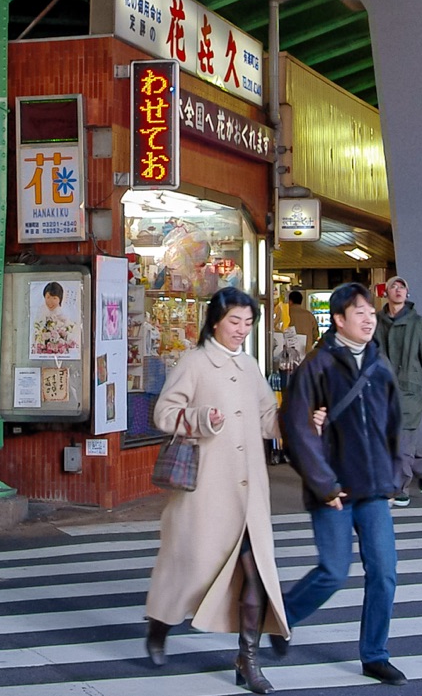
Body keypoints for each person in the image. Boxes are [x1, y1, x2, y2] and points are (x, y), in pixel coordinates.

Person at [144, 288, 289, 692]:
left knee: (254, 574)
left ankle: (248, 660)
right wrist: (201, 418)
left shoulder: (249, 366)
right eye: (234, 322)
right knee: (188, 571)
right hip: (205, 491)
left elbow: (266, 418)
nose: (242, 330)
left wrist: (299, 421)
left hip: (249, 494)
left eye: (248, 323)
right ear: (215, 322)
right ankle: (159, 626)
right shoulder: (194, 362)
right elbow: (163, 413)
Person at [280, 281, 406, 685]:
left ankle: (375, 654)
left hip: (372, 489)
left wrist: (395, 478)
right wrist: (324, 484)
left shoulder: (379, 364)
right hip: (332, 490)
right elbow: (297, 429)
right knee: (334, 572)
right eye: (360, 313)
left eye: (372, 312)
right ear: (338, 320)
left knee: (384, 571)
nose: (369, 319)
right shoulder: (316, 366)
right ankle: (280, 616)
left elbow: (395, 427)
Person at [374, 276, 422, 505]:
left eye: (402, 287)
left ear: (407, 293)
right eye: (393, 287)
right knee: (388, 439)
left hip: (410, 390)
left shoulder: (417, 322)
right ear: (385, 293)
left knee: (403, 439)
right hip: (383, 390)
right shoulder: (376, 321)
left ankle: (400, 488)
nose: (398, 290)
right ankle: (421, 465)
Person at [285, 290, 320, 355]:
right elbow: (316, 335)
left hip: (289, 352)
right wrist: (308, 344)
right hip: (306, 351)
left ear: (290, 301)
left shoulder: (286, 314)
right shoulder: (309, 315)